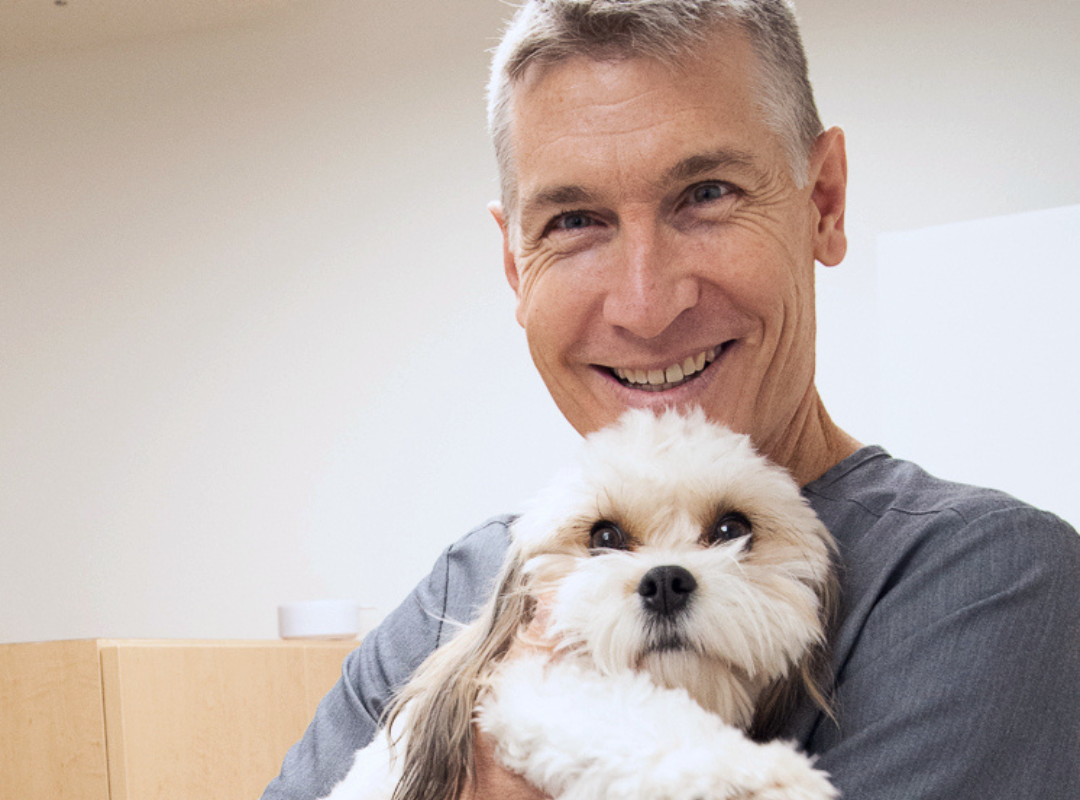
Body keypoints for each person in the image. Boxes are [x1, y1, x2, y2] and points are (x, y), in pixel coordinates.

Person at [261, 1, 1080, 798]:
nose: (646, 304)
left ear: (822, 202)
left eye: (708, 194)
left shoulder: (988, 581)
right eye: (576, 220)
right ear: (516, 266)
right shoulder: (463, 587)